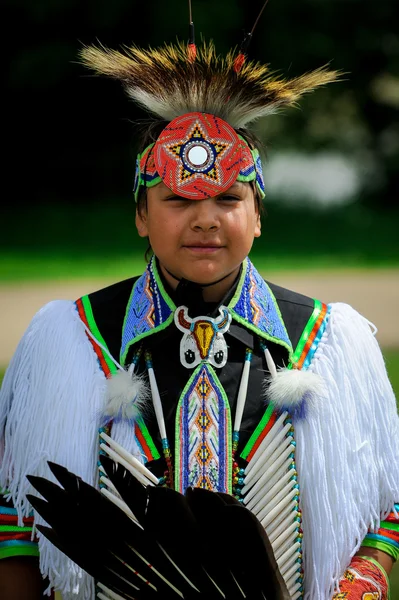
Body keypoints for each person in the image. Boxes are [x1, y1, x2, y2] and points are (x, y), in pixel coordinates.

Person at [1, 14, 398, 600]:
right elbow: (18, 519)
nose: (206, 218)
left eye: (229, 198)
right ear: (141, 214)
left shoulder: (326, 343)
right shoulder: (75, 341)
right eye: (179, 199)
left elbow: (384, 509)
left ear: (258, 216)